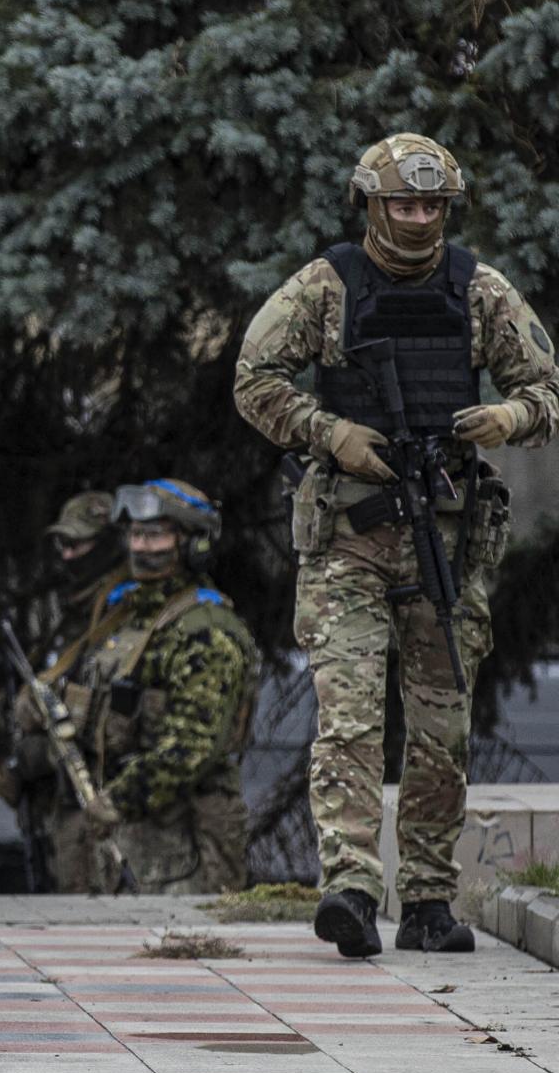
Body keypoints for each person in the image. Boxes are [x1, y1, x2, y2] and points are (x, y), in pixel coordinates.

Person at [234, 133, 557, 957]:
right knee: (346, 719)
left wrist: (510, 417)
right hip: (348, 533)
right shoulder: (326, 285)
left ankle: (428, 899)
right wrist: (330, 430)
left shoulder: (478, 290)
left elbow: (548, 388)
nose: (417, 219)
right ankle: (349, 884)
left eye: (431, 206)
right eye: (403, 204)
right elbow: (254, 380)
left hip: (445, 540)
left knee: (441, 730)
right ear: (371, 204)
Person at [63, 481, 258, 894]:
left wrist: (117, 800)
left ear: (191, 544)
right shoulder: (129, 618)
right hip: (134, 841)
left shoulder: (205, 630)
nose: (141, 547)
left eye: (155, 535)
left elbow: (191, 749)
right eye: (135, 534)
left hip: (189, 843)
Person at [0, 491, 130, 891]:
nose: (68, 556)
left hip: (102, 798)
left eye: (78, 545)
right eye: (63, 545)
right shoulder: (72, 608)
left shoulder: (122, 608)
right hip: (64, 799)